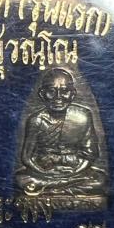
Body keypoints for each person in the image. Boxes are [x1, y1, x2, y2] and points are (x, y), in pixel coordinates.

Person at [15, 68, 106, 196]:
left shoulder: (83, 117)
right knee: (20, 179)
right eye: (51, 91)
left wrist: (75, 171)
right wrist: (45, 173)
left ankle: (51, 189)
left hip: (75, 170)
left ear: (73, 94)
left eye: (64, 91)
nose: (58, 97)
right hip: (43, 170)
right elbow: (26, 157)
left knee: (100, 180)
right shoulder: (36, 120)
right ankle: (67, 189)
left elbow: (90, 154)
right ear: (42, 94)